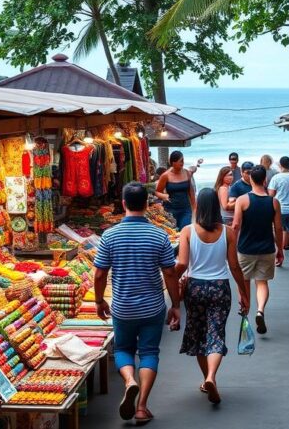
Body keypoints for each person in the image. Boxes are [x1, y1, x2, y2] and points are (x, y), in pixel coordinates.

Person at [93, 182, 182, 424]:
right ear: (146, 204)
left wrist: (99, 300)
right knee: (149, 352)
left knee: (123, 350)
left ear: (123, 204)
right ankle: (142, 407)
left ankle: (129, 380)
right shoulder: (158, 235)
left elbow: (100, 274)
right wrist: (176, 304)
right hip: (152, 306)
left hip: (122, 307)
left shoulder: (109, 236)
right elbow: (170, 273)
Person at [175, 188, 249, 404]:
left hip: (195, 288)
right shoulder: (227, 232)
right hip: (220, 287)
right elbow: (234, 266)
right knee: (216, 333)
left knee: (199, 334)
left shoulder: (187, 231)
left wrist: (170, 282)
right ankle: (211, 377)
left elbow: (182, 264)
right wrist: (243, 292)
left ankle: (205, 377)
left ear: (198, 206)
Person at [232, 165, 283, 335]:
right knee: (262, 283)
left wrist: (230, 247)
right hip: (267, 249)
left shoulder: (242, 200)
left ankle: (245, 309)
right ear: (265, 180)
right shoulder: (273, 202)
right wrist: (280, 250)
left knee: (244, 282)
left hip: (245, 249)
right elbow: (278, 228)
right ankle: (260, 310)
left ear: (251, 180)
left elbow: (236, 226)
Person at [268, 156, 289, 265]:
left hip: (279, 209)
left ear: (281, 165)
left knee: (279, 232)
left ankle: (279, 255)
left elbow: (271, 195)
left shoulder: (276, 178)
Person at [156, 151, 196, 229]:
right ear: (173, 162)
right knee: (173, 233)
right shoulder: (165, 176)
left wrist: (195, 208)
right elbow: (157, 191)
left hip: (185, 209)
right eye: (181, 161)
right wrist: (163, 195)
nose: (183, 163)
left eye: (183, 161)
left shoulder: (187, 173)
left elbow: (191, 191)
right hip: (170, 210)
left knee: (185, 230)